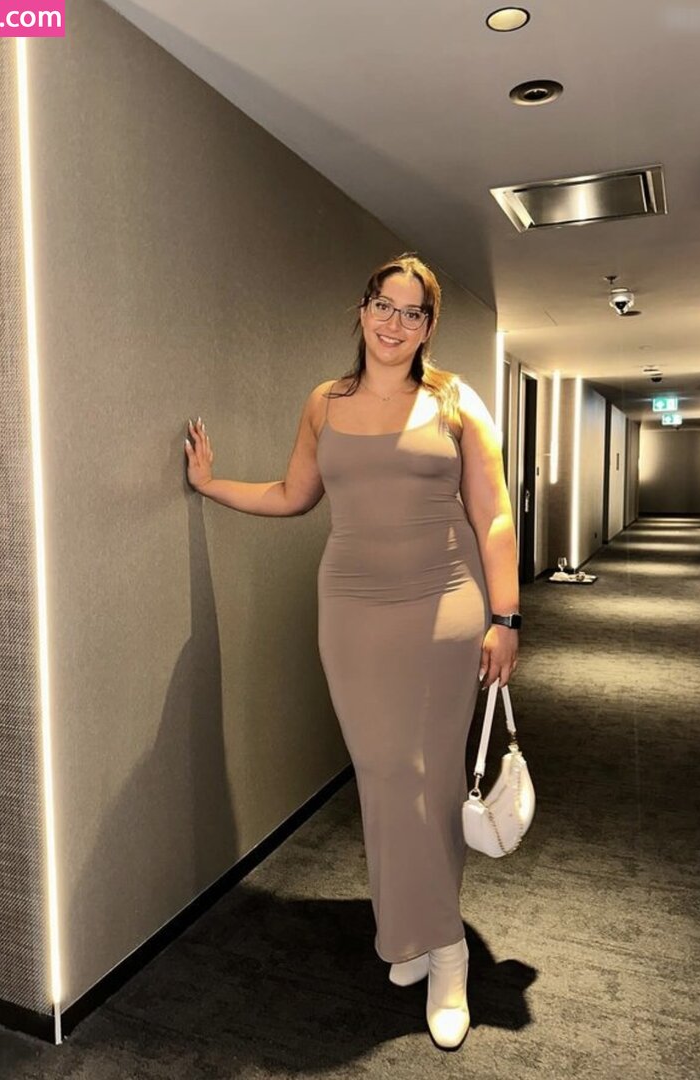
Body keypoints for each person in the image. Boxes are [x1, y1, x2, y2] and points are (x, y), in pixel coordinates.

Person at [184, 253, 520, 1051]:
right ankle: (408, 929)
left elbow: (493, 514)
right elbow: (293, 495)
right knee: (381, 772)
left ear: (428, 328)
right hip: (352, 610)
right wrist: (211, 485)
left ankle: (445, 953)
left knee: (430, 776)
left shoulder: (454, 401)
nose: (394, 323)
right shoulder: (324, 402)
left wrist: (505, 617)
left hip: (443, 603)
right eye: (383, 305)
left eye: (412, 312)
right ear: (362, 310)